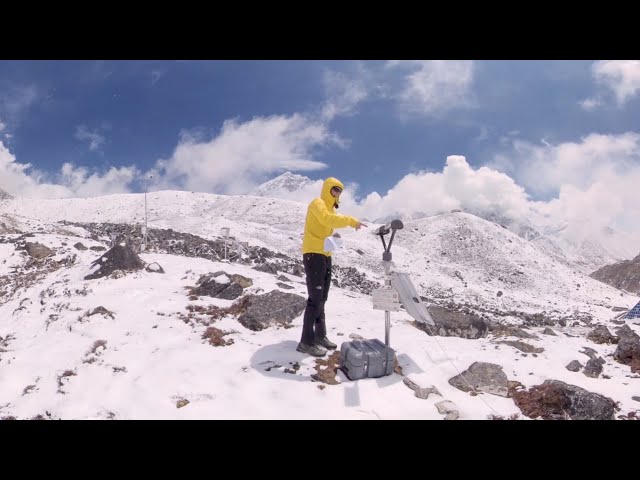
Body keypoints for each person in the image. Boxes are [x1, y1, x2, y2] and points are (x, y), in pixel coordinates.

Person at [297, 177, 367, 357]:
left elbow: (328, 224)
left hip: (325, 256)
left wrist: (333, 240)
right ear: (327, 189)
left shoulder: (329, 208)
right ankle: (306, 342)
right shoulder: (318, 203)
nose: (337, 193)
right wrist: (351, 221)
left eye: (339, 191)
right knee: (314, 298)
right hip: (313, 254)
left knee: (322, 298)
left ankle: (320, 336)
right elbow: (327, 220)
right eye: (335, 189)